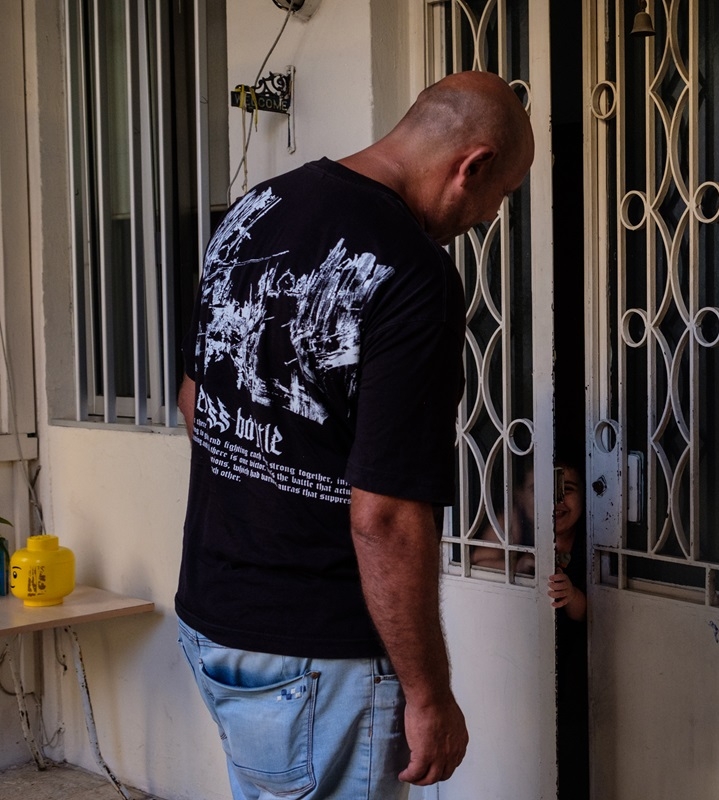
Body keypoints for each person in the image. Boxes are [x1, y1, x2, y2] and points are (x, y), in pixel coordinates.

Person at [174, 70, 535, 800]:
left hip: (214, 619)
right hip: (317, 655)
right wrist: (429, 696)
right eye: (501, 197)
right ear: (474, 165)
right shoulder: (412, 274)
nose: (490, 217)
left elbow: (195, 401)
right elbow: (388, 517)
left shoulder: (256, 208)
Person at [469, 461, 589, 797]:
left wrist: (574, 596)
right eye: (541, 491)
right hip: (520, 660)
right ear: (522, 498)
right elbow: (476, 559)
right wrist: (516, 563)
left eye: (567, 490)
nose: (557, 502)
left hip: (576, 668)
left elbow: (600, 613)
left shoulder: (594, 541)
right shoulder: (518, 526)